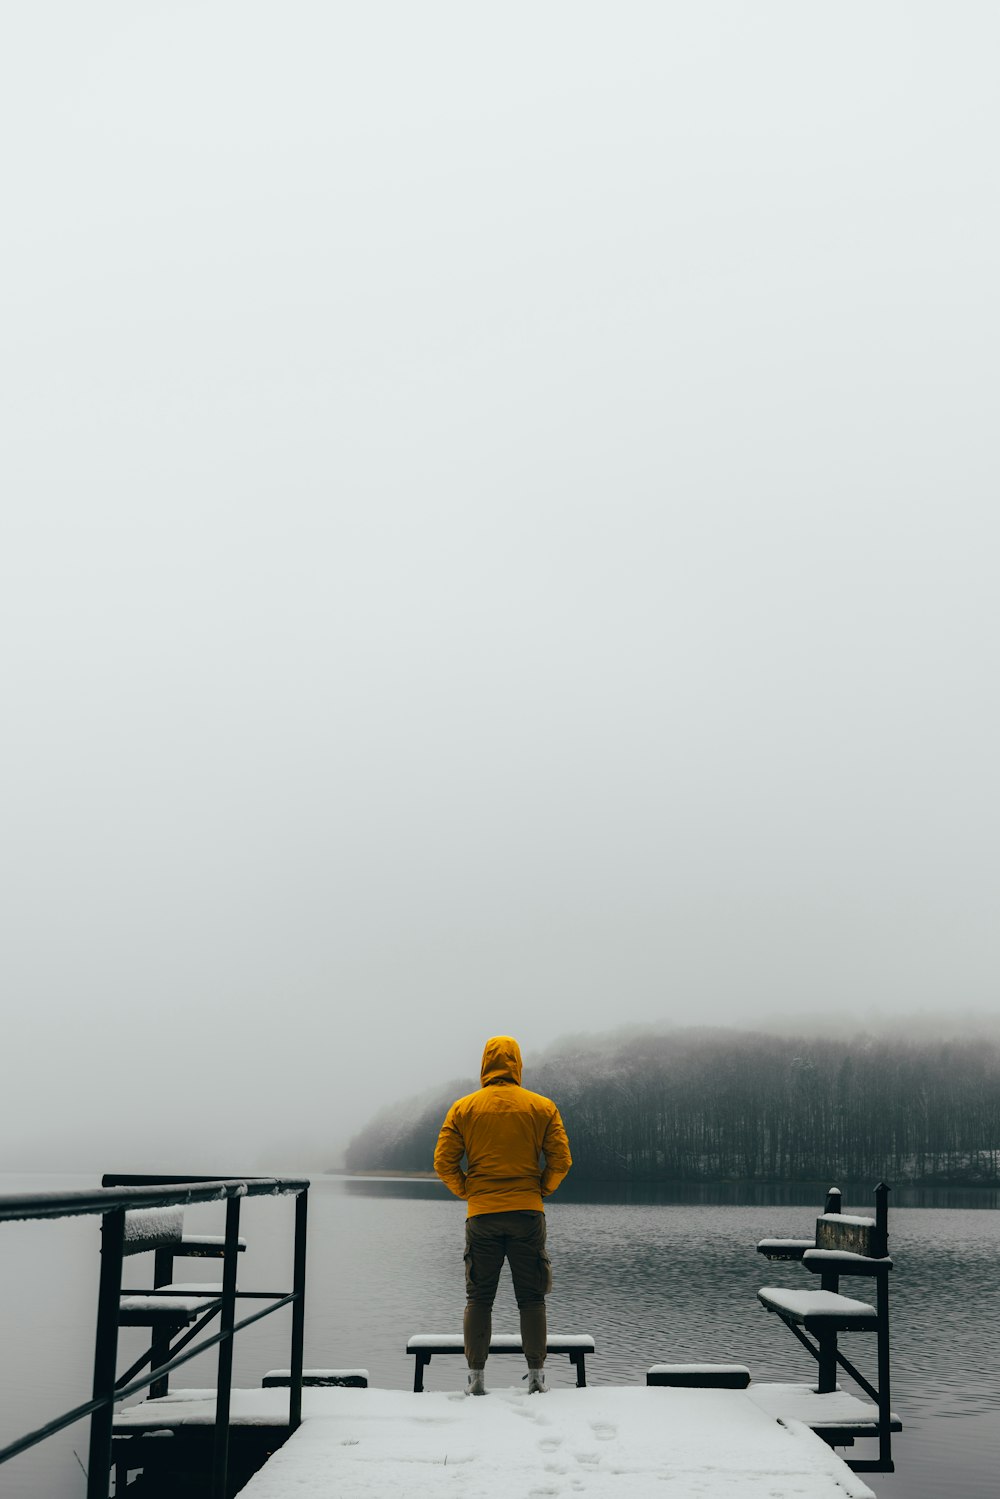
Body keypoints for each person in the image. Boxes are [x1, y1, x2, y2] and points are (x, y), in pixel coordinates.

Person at [433, 1034, 572, 1395]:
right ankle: (538, 1377)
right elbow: (561, 1160)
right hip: (528, 1212)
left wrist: (469, 1191)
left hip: (482, 1215)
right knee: (532, 1297)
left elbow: (443, 1162)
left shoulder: (464, 1108)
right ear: (517, 1064)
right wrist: (542, 1189)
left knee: (479, 1297)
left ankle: (476, 1379)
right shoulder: (541, 1107)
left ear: (484, 1064)